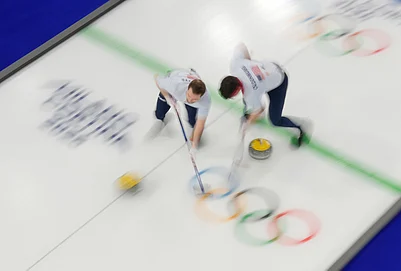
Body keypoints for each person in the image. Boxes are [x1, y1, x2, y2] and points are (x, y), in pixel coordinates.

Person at [218, 43, 309, 147]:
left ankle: (301, 127)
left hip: (278, 82)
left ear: (237, 88)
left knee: (275, 120)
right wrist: (249, 61)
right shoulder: (235, 65)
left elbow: (260, 109)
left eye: (233, 95)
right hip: (268, 68)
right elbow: (241, 46)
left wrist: (247, 125)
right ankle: (251, 110)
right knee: (250, 101)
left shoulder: (250, 93)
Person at [147, 68, 211, 152]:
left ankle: (195, 137)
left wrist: (194, 146)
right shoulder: (174, 85)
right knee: (159, 113)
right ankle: (161, 121)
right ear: (187, 89)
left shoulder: (205, 100)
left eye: (194, 99)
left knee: (193, 121)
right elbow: (156, 78)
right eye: (189, 95)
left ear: (201, 96)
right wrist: (167, 97)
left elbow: (200, 123)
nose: (189, 100)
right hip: (174, 84)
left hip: (187, 83)